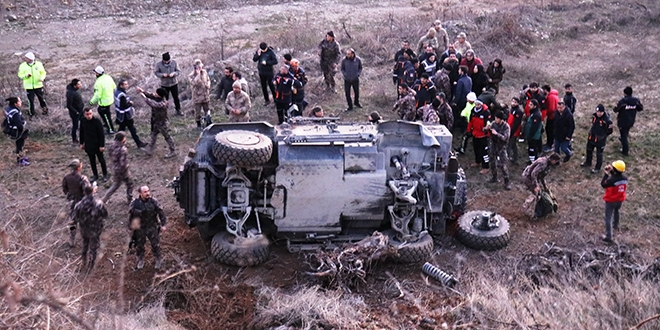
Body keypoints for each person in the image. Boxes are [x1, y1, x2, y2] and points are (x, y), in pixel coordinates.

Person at [129, 186, 166, 270]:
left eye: (148, 191)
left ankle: (158, 259)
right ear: (140, 193)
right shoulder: (135, 203)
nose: (148, 193)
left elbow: (161, 213)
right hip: (140, 228)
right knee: (139, 245)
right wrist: (131, 228)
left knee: (155, 244)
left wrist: (163, 224)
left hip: (152, 226)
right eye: (145, 192)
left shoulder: (153, 202)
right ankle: (140, 260)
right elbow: (131, 216)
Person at [73, 185, 107, 272]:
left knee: (85, 244)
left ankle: (84, 261)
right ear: (93, 192)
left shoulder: (78, 205)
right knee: (93, 248)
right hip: (95, 230)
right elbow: (105, 215)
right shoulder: (99, 204)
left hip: (84, 229)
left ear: (84, 192)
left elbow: (75, 218)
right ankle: (91, 265)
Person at [137, 87, 176, 158]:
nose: (154, 93)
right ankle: (150, 149)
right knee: (153, 135)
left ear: (159, 95)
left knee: (167, 137)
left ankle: (172, 151)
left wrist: (144, 98)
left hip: (162, 123)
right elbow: (151, 95)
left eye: (156, 93)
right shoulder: (157, 98)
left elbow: (153, 104)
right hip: (156, 122)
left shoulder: (163, 103)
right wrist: (143, 91)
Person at [62, 159, 91, 247]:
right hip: (82, 202)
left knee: (73, 222)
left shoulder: (67, 177)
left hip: (71, 202)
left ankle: (72, 239)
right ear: (79, 167)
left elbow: (64, 189)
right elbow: (87, 191)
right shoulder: (82, 178)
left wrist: (70, 196)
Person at [102, 132, 133, 204]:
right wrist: (127, 166)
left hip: (114, 167)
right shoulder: (123, 149)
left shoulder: (111, 145)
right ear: (122, 139)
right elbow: (123, 163)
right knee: (130, 184)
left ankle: (104, 199)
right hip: (123, 170)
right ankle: (130, 199)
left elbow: (110, 155)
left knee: (116, 185)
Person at [114, 80, 147, 148]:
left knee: (121, 129)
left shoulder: (116, 92)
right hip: (125, 116)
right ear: (121, 85)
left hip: (120, 115)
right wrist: (130, 103)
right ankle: (139, 143)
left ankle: (116, 143)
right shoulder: (122, 95)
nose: (127, 85)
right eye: (125, 84)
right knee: (132, 130)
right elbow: (124, 105)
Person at [600, 160, 627, 243]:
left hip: (611, 200)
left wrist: (605, 174)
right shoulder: (625, 178)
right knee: (617, 211)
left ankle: (609, 237)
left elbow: (603, 184)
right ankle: (616, 225)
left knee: (608, 217)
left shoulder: (611, 181)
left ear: (615, 169)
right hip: (619, 199)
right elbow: (616, 178)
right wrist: (612, 171)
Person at [581, 104, 613, 173]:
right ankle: (588, 162)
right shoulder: (594, 116)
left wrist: (602, 136)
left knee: (599, 154)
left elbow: (610, 131)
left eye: (600, 112)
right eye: (597, 112)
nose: (598, 113)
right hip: (591, 137)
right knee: (589, 150)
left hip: (600, 140)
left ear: (603, 112)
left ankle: (597, 168)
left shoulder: (607, 121)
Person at [79, 108, 108, 182]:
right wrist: (81, 143)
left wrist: (102, 145)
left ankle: (105, 174)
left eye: (90, 114)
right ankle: (95, 175)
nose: (89, 116)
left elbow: (101, 134)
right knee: (92, 161)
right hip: (88, 144)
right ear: (84, 114)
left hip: (97, 144)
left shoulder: (97, 121)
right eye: (87, 114)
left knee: (101, 159)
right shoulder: (83, 121)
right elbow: (81, 132)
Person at [614, 86, 643, 156]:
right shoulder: (636, 101)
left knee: (623, 135)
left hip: (622, 121)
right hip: (631, 120)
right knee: (625, 132)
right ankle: (623, 140)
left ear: (625, 93)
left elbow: (616, 109)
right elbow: (640, 108)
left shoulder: (623, 101)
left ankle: (625, 151)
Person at [17, 52, 48, 117]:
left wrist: (42, 78)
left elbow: (43, 73)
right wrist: (26, 76)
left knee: (41, 99)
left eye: (26, 58)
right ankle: (32, 113)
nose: (25, 59)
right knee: (30, 101)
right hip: (29, 87)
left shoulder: (39, 64)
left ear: (30, 59)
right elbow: (20, 75)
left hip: (38, 85)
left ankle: (45, 110)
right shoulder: (22, 66)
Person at [487, 111, 511, 189]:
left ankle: (507, 182)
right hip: (493, 145)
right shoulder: (493, 124)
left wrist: (496, 134)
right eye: (495, 118)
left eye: (497, 118)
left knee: (503, 165)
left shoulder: (506, 127)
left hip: (501, 147)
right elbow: (485, 130)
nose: (495, 120)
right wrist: (486, 128)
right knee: (492, 162)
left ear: (501, 119)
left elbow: (505, 138)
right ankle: (494, 177)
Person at [466, 100, 491, 174]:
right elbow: (470, 121)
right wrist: (469, 130)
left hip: (483, 135)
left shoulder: (486, 112)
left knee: (484, 152)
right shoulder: (473, 110)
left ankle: (486, 166)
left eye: (478, 104)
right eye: (476, 104)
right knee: (476, 149)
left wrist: (486, 128)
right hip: (475, 134)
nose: (476, 106)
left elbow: (488, 122)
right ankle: (478, 161)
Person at [154, 52, 183, 116]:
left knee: (176, 98)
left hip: (174, 83)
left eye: (168, 61)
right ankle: (164, 112)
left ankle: (178, 110)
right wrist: (162, 75)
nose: (167, 62)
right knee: (165, 99)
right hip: (164, 84)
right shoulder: (158, 64)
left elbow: (178, 71)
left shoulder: (174, 62)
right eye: (165, 61)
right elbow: (156, 73)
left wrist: (174, 74)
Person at [90, 66, 116, 134]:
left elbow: (97, 95)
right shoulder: (108, 77)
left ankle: (110, 129)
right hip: (110, 99)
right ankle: (107, 124)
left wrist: (92, 102)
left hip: (104, 102)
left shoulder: (98, 83)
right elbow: (114, 86)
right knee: (105, 113)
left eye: (95, 72)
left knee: (106, 116)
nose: (95, 73)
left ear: (98, 73)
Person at [188, 59, 211, 129]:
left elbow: (208, 79)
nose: (200, 68)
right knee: (197, 112)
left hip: (205, 95)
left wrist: (208, 84)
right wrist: (197, 74)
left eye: (201, 66)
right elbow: (194, 83)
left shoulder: (204, 72)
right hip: (197, 97)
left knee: (207, 110)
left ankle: (208, 122)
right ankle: (198, 124)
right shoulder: (191, 76)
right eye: (198, 67)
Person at [523, 99, 543, 164]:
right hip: (532, 135)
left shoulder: (536, 115)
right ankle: (533, 160)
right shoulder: (533, 113)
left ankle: (533, 162)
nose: (529, 105)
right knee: (532, 148)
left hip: (533, 136)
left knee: (532, 149)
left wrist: (530, 136)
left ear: (535, 106)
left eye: (531, 104)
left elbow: (534, 127)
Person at [66, 79, 84, 144]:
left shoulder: (76, 91)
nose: (80, 85)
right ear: (74, 85)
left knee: (83, 125)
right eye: (79, 84)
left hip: (80, 111)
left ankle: (83, 138)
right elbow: (69, 105)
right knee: (75, 126)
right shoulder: (70, 93)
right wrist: (76, 112)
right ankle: (74, 139)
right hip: (75, 113)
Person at [542, 85, 560, 152]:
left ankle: (550, 145)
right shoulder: (553, 95)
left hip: (552, 116)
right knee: (549, 130)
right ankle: (549, 143)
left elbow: (552, 109)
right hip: (554, 116)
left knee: (549, 130)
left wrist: (546, 113)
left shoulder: (550, 97)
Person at [507, 97, 524, 163]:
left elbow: (516, 124)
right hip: (510, 129)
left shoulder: (518, 112)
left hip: (514, 131)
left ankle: (507, 158)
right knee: (513, 144)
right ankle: (515, 157)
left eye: (515, 102)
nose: (513, 103)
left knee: (509, 144)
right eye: (512, 101)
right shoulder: (512, 109)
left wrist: (511, 133)